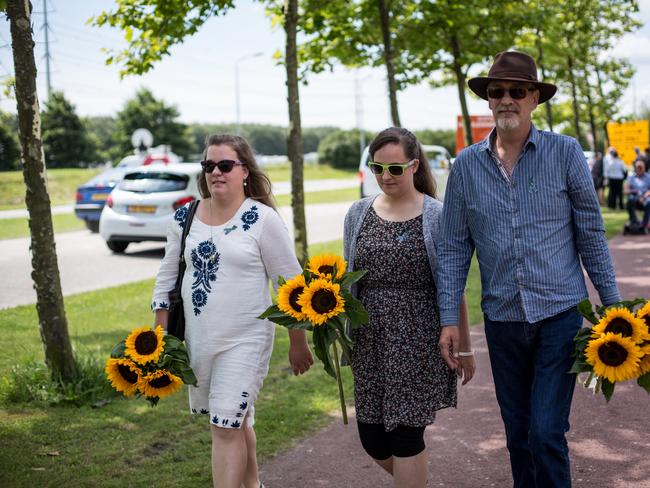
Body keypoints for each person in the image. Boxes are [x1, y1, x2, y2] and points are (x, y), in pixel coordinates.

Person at [437, 51, 620, 488]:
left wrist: (616, 310)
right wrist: (449, 320)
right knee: (518, 437)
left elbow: (591, 234)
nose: (506, 100)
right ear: (488, 100)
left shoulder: (566, 152)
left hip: (559, 316)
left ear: (534, 97)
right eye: (497, 92)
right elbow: (452, 249)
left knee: (545, 432)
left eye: (517, 91)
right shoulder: (464, 166)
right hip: (502, 320)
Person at [151, 134, 313, 488]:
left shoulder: (262, 219)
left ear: (244, 171)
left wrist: (297, 342)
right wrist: (160, 337)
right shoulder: (184, 218)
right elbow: (166, 278)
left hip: (246, 340)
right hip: (200, 341)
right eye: (209, 165)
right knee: (236, 421)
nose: (216, 172)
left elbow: (292, 285)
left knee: (222, 427)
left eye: (225, 165)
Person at [343, 127, 474, 488]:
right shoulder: (357, 213)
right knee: (372, 438)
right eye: (377, 168)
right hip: (369, 342)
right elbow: (346, 280)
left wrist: (465, 346)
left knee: (404, 437)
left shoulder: (437, 214)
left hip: (418, 341)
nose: (386, 177)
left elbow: (452, 285)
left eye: (395, 169)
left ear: (414, 166)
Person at [625, 160, 650, 233]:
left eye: (641, 167)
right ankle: (634, 222)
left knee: (649, 202)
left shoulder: (648, 177)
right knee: (630, 200)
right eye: (638, 167)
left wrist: (644, 197)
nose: (639, 169)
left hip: (645, 198)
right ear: (635, 168)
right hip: (634, 198)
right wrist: (633, 191)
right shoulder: (631, 177)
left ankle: (644, 224)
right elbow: (625, 190)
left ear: (644, 168)